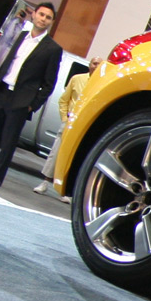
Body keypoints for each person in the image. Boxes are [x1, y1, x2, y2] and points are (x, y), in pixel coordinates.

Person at [0, 1, 62, 195]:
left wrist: (32, 105)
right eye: (41, 14)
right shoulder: (20, 36)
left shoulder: (52, 49)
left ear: (51, 22)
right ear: (34, 15)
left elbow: (49, 84)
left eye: (48, 17)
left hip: (21, 101)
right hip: (0, 92)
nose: (43, 19)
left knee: (6, 147)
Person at [33, 57, 101, 200]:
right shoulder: (77, 79)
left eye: (99, 64)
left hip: (87, 124)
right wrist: (65, 118)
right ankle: (45, 183)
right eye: (94, 63)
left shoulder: (102, 83)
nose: (96, 66)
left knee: (78, 156)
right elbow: (64, 100)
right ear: (89, 65)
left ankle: (68, 192)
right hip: (70, 121)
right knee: (56, 152)